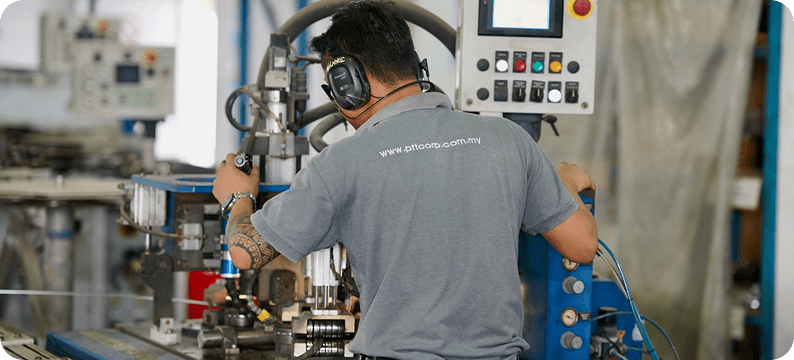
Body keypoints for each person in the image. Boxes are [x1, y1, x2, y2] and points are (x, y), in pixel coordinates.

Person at [212, 1, 598, 359]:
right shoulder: (509, 141)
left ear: (347, 86)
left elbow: (247, 252)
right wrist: (561, 184)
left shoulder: (342, 162)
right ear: (417, 67)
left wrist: (237, 198)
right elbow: (581, 246)